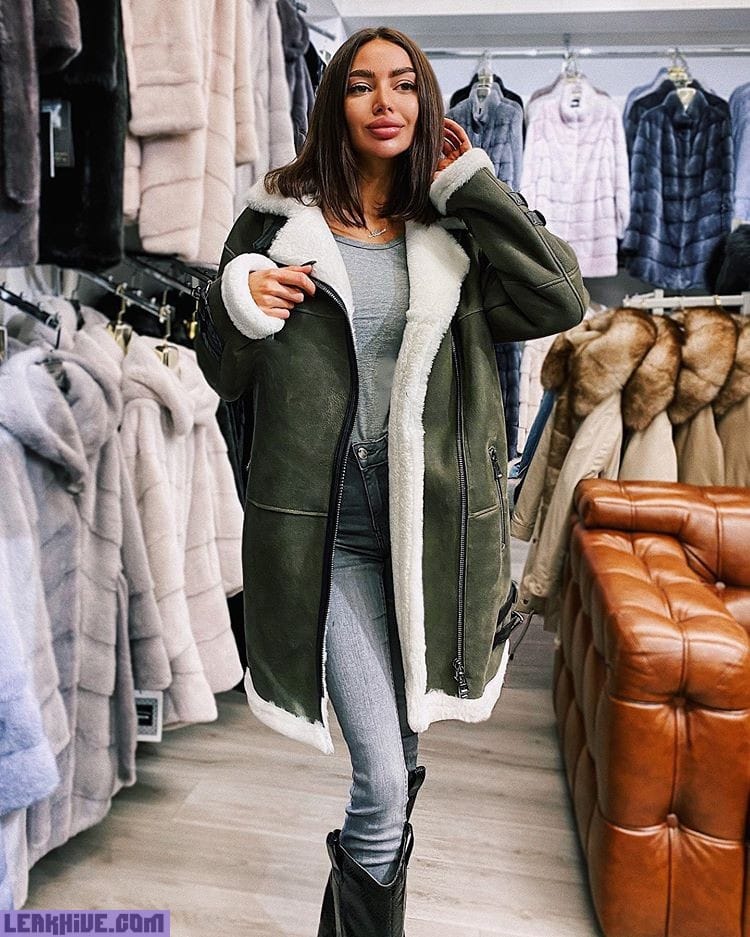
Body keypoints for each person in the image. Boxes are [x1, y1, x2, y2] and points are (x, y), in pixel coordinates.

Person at [195, 26, 587, 937]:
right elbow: (221, 372)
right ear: (334, 103)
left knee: (399, 772)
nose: (385, 102)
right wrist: (240, 302)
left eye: (404, 84)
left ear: (427, 102)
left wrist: (473, 184)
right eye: (362, 84)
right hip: (322, 533)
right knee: (378, 774)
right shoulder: (273, 223)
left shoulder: (456, 229)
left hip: (427, 534)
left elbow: (561, 298)